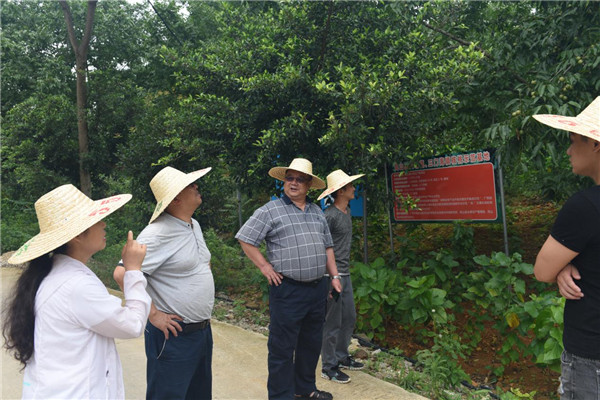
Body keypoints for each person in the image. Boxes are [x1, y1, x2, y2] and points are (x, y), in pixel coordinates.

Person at [2, 184, 151, 399]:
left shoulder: (55, 274)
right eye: (96, 220)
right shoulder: (76, 285)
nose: (104, 223)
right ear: (78, 235)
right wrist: (134, 270)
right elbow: (132, 324)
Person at [236, 158, 342, 400]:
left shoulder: (317, 212)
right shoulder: (270, 210)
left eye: (300, 179)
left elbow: (327, 246)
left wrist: (334, 276)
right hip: (287, 290)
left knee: (311, 343)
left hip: (317, 289)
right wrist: (264, 266)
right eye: (290, 178)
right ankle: (280, 395)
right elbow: (246, 238)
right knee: (282, 347)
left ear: (308, 185)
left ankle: (304, 389)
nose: (293, 183)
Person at [113, 166, 214, 400]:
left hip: (201, 332)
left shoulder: (194, 225)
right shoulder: (157, 233)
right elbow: (121, 273)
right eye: (190, 185)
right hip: (173, 336)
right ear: (176, 198)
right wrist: (154, 314)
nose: (196, 186)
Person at [533, 96, 600, 399]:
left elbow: (542, 271)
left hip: (591, 356)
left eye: (573, 141)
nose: (569, 150)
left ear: (595, 144)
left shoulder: (585, 207)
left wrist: (561, 267)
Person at [317, 170, 365, 384]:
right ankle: (328, 366)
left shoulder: (346, 212)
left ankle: (341, 356)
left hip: (345, 273)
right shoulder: (329, 215)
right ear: (341, 191)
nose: (354, 188)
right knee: (332, 322)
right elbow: (320, 246)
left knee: (349, 317)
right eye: (350, 186)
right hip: (331, 275)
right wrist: (328, 276)